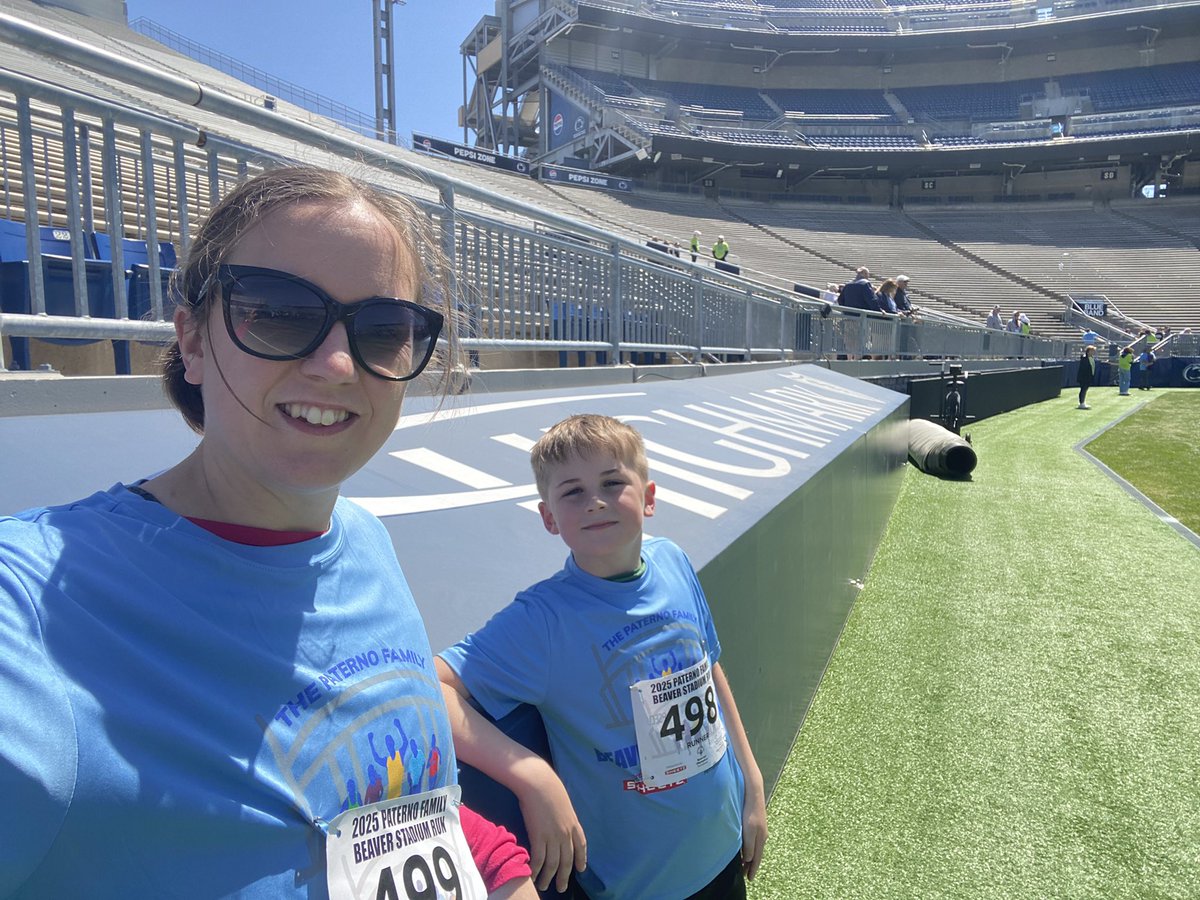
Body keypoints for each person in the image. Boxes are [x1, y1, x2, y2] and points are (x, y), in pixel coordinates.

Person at [0, 166, 536, 899]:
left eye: (383, 329)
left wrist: (503, 866)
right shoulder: (27, 602)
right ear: (189, 341)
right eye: (279, 312)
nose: (339, 364)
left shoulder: (364, 542)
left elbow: (390, 811)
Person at [437, 415, 768, 899]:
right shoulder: (543, 620)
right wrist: (533, 776)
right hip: (636, 884)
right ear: (549, 517)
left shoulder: (673, 561)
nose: (595, 501)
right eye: (572, 492)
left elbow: (708, 667)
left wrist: (752, 781)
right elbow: (430, 688)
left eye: (613, 483)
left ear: (649, 498)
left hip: (722, 848)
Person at [1077, 344, 1096, 409]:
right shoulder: (1084, 358)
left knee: (1085, 389)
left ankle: (1083, 402)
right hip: (1084, 377)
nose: (1093, 352)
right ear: (1088, 351)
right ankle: (1081, 403)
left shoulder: (1091, 358)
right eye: (1092, 351)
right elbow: (1084, 368)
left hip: (1089, 377)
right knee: (1083, 389)